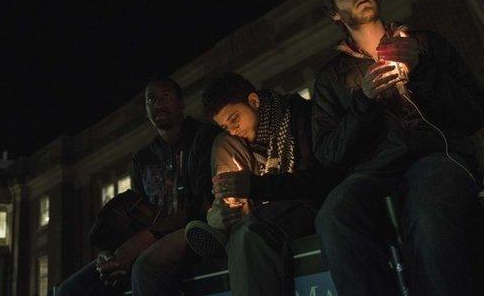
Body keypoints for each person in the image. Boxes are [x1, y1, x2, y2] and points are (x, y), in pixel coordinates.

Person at [312, 0, 484, 296]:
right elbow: (328, 152)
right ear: (335, 14)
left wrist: (422, 72)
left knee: (428, 213)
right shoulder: (331, 78)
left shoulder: (425, 44)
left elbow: (476, 111)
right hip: (375, 169)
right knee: (334, 216)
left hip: (438, 155)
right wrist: (364, 101)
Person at [56, 77, 219, 296]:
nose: (158, 104)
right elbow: (133, 213)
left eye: (165, 96)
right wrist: (109, 254)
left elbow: (202, 205)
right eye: (151, 99)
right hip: (148, 241)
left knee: (144, 268)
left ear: (181, 103)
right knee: (70, 289)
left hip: (195, 232)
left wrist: (144, 239)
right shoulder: (142, 158)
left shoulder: (204, 137)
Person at [185, 73, 340, 295]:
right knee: (223, 145)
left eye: (234, 119)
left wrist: (253, 186)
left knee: (249, 232)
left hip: (304, 203)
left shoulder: (300, 115)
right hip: (261, 210)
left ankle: (222, 228)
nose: (233, 129)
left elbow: (316, 181)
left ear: (254, 102)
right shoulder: (237, 141)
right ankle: (224, 216)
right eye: (225, 126)